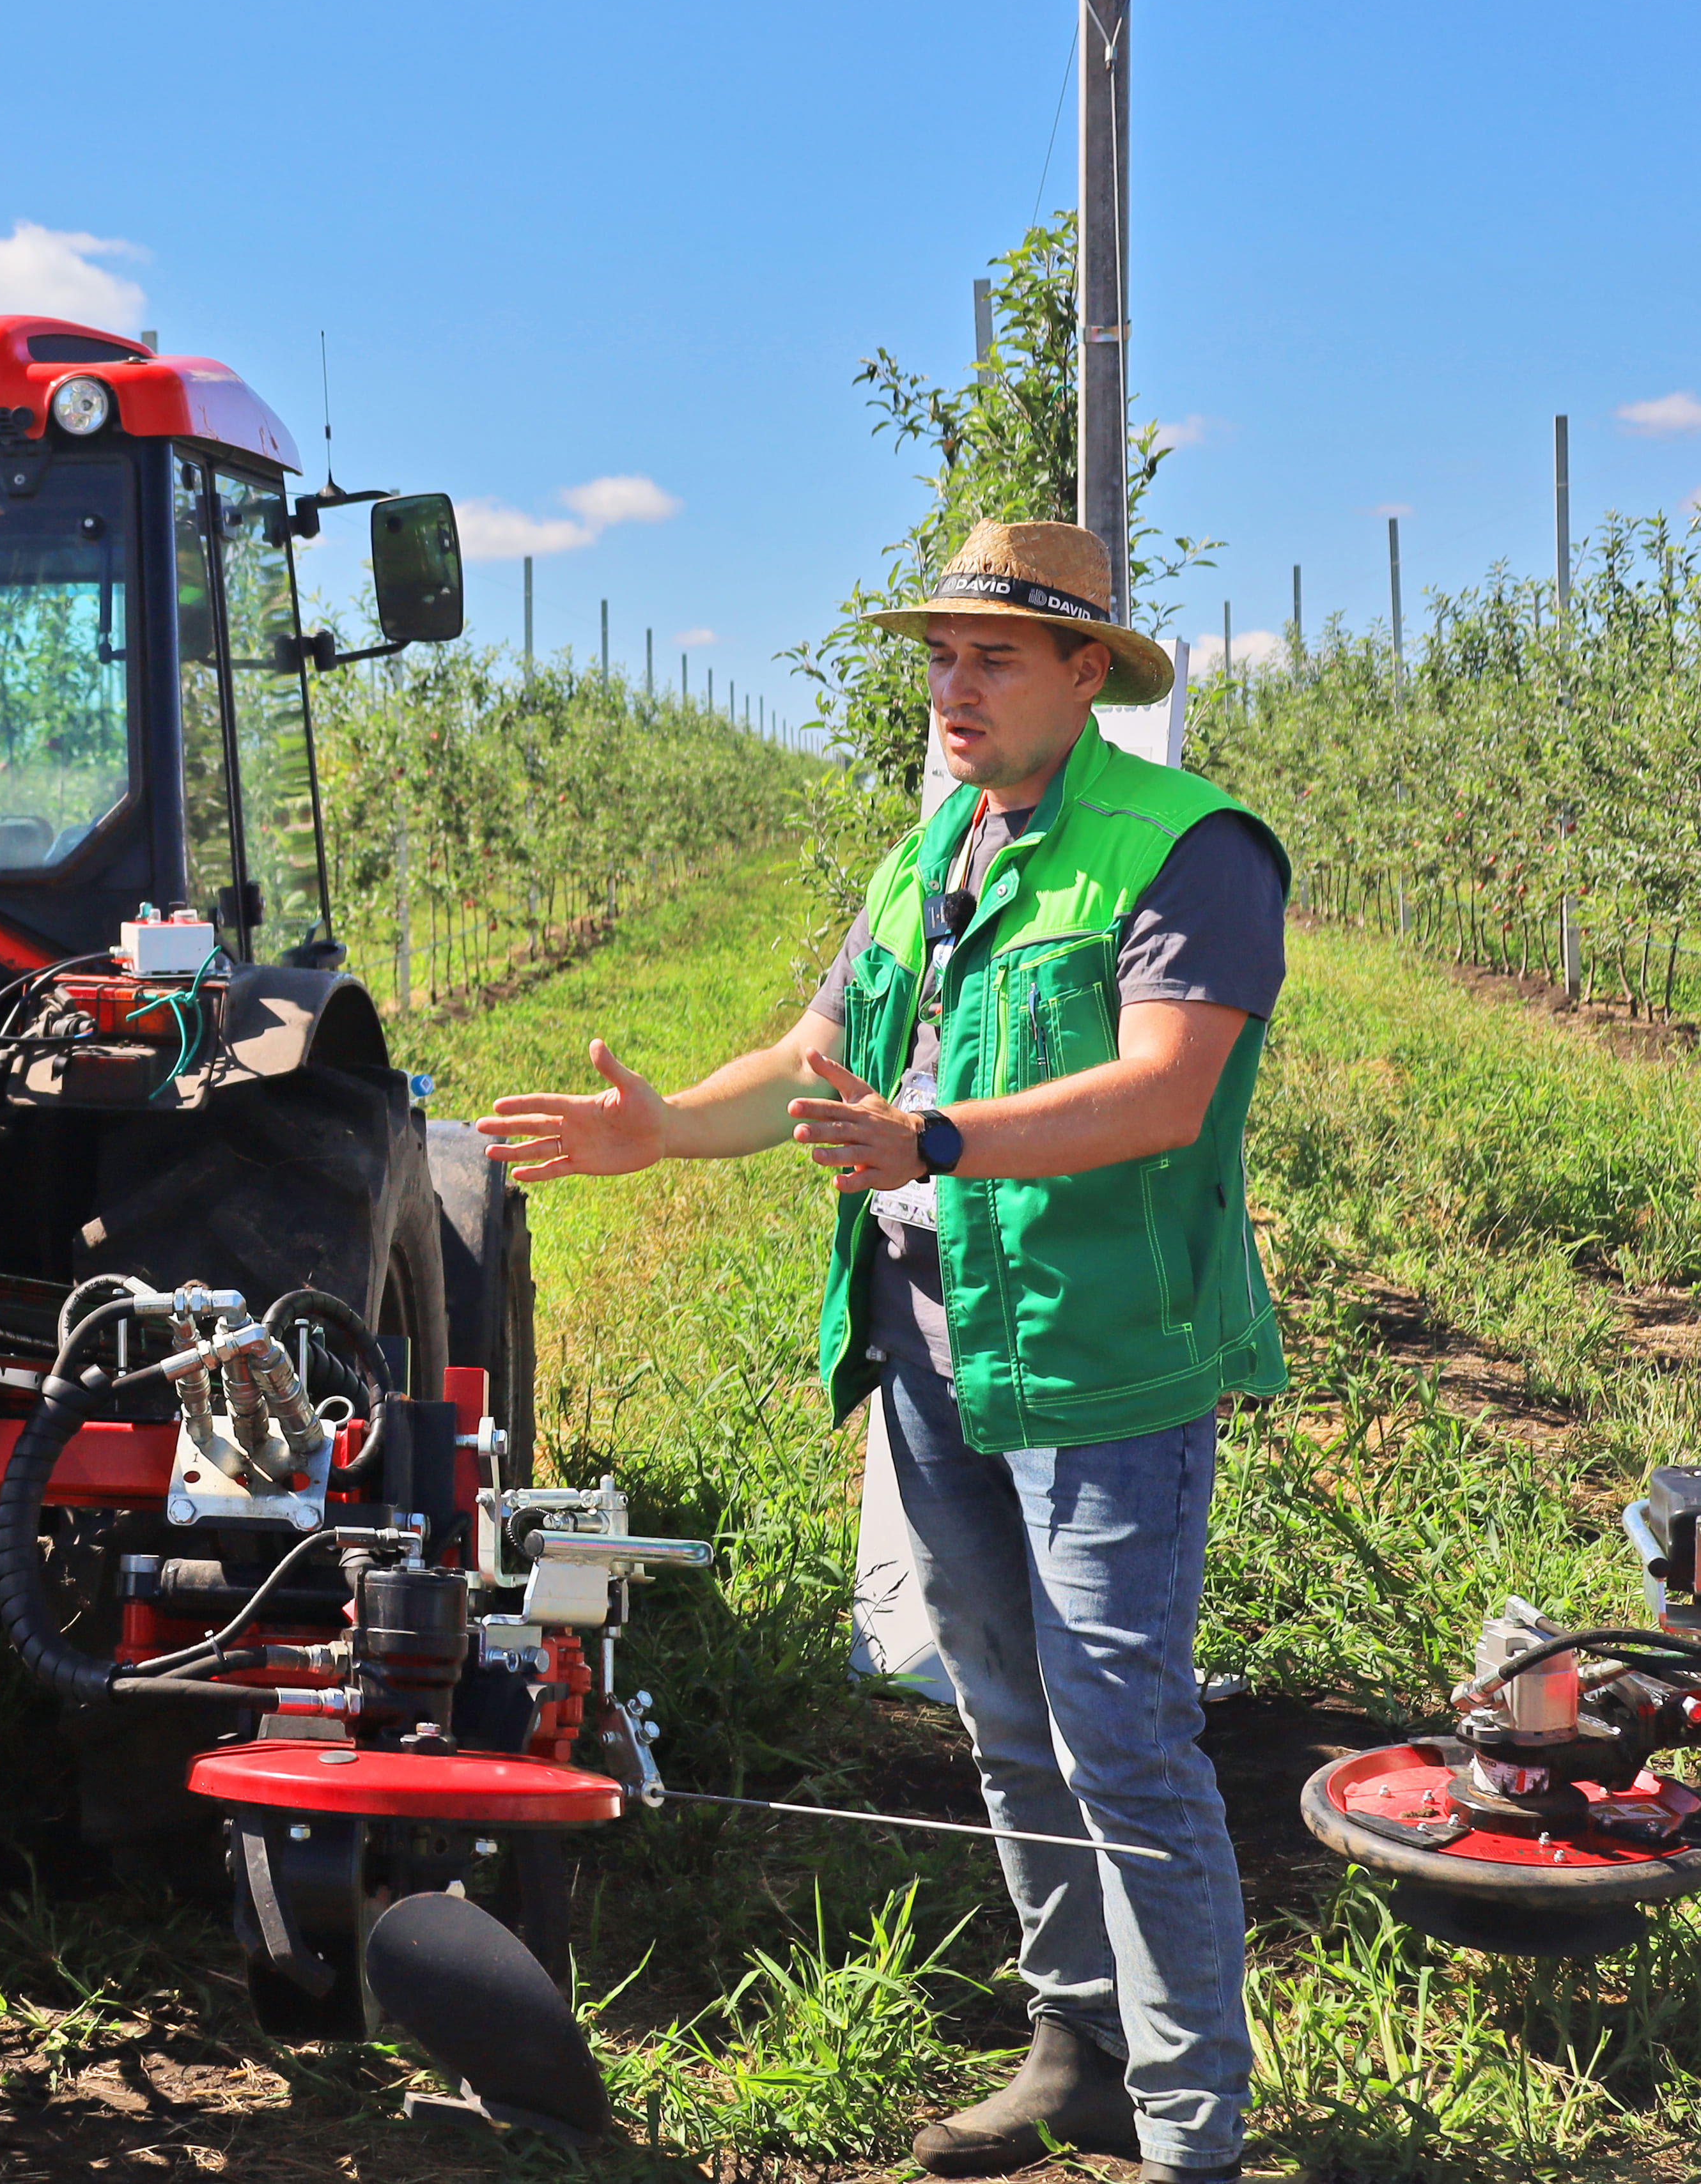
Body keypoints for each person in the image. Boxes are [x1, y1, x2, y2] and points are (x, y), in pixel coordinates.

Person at [478, 522, 1285, 2184]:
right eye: (937, 653)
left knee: (1119, 1725)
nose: (951, 685)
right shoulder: (934, 848)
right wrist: (666, 1130)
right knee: (998, 1706)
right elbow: (814, 1052)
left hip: (1099, 1351)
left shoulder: (1183, 849)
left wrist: (928, 1134)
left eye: (991, 655)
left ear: (1084, 674)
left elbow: (1161, 1089)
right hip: (930, 1336)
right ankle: (1072, 2048)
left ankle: (1190, 2128)